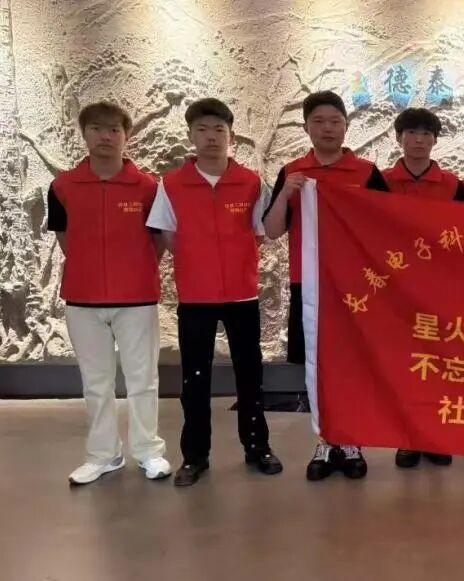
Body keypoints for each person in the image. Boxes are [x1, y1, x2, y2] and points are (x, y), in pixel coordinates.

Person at [147, 97, 282, 487]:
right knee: (195, 379)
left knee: (250, 374)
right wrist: (198, 261)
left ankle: (257, 447)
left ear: (231, 136)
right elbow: (167, 234)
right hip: (196, 296)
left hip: (242, 294)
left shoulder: (251, 182)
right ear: (191, 136)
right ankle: (195, 456)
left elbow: (262, 232)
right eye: (202, 130)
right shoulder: (172, 184)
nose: (211, 137)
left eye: (219, 130)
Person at [263, 90, 388, 481]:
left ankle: (351, 441)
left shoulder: (366, 173)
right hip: (309, 286)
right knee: (316, 367)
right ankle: (325, 439)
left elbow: (388, 227)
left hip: (354, 288)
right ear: (306, 128)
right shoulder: (293, 171)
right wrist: (286, 192)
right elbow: (271, 230)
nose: (327, 128)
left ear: (346, 127)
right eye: (318, 121)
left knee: (352, 365)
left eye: (335, 121)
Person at [50, 101, 171, 485]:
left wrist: (133, 270)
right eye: (97, 129)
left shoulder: (148, 187)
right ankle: (103, 455)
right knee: (96, 383)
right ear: (84, 133)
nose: (105, 136)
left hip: (136, 299)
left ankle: (148, 451)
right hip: (83, 300)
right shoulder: (63, 186)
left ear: (126, 135)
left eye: (114, 129)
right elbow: (66, 239)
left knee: (142, 380)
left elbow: (158, 240)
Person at [382, 107, 463, 468]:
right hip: (395, 288)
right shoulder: (381, 181)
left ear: (435, 140)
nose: (418, 140)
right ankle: (408, 438)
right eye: (411, 133)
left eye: (426, 134)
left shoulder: (453, 185)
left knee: (438, 362)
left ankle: (435, 435)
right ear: (399, 138)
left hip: (439, 288)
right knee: (405, 364)